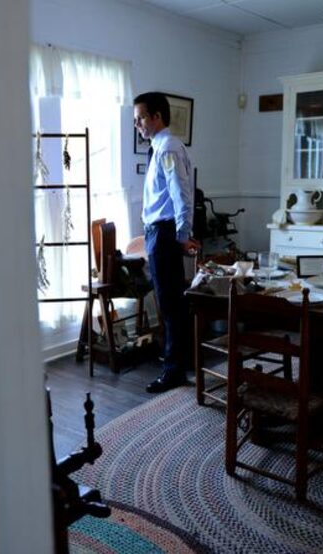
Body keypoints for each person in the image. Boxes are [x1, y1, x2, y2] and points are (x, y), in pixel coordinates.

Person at [133, 92, 200, 393]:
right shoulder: (158, 147)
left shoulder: (168, 147)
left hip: (163, 233)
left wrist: (183, 237)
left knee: (170, 304)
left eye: (140, 118)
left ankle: (173, 370)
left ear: (157, 116)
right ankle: (178, 363)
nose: (138, 125)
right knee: (171, 302)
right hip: (157, 232)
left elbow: (181, 194)